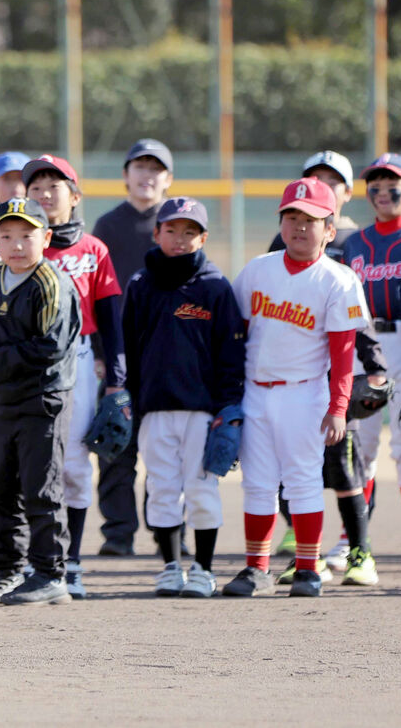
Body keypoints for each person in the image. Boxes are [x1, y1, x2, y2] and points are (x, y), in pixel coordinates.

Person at [224, 177, 369, 598]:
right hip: (254, 391)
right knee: (258, 482)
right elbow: (237, 338)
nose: (299, 226)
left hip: (305, 392)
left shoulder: (338, 280)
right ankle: (256, 567)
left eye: (311, 219)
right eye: (291, 216)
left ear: (330, 228)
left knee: (304, 480)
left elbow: (343, 355)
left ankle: (308, 567)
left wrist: (338, 407)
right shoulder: (257, 270)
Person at [0, 197, 81, 606]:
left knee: (41, 488)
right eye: (6, 235)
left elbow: (49, 347)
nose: (16, 244)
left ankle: (49, 574)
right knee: (1, 488)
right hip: (5, 398)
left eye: (27, 235)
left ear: (46, 237)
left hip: (43, 398)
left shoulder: (51, 283)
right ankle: (9, 569)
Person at [121, 197, 246, 598]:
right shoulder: (141, 284)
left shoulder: (215, 286)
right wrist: (128, 399)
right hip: (155, 408)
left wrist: (227, 406)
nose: (179, 238)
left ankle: (204, 569)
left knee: (201, 488)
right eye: (171, 230)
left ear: (203, 237)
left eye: (189, 231)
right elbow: (129, 347)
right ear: (156, 233)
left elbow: (230, 352)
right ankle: (171, 567)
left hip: (202, 411)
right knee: (161, 488)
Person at [25, 154, 126, 599]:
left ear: (74, 195)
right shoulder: (20, 244)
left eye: (54, 186)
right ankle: (35, 561)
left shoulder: (93, 250)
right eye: (36, 188)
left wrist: (116, 377)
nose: (45, 195)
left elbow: (110, 316)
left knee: (73, 466)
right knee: (30, 464)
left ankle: (73, 563)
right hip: (27, 363)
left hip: (80, 359)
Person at [91, 138, 174, 556]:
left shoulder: (179, 224)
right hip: (118, 354)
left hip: (164, 355)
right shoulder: (107, 226)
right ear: (126, 176)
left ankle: (165, 533)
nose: (147, 175)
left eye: (155, 168)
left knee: (164, 451)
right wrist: (100, 353)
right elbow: (95, 297)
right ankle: (118, 533)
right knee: (115, 447)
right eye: (139, 167)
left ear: (168, 179)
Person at [342, 153, 401, 570]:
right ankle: (357, 547)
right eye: (375, 183)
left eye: (393, 183)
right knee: (359, 447)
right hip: (364, 349)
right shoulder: (354, 243)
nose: (383, 191)